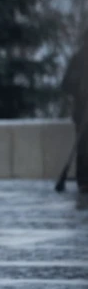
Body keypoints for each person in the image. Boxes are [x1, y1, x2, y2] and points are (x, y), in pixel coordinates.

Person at [62, 28, 88, 194]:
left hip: (81, 110)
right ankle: (84, 180)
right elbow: (66, 84)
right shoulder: (79, 59)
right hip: (83, 110)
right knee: (84, 146)